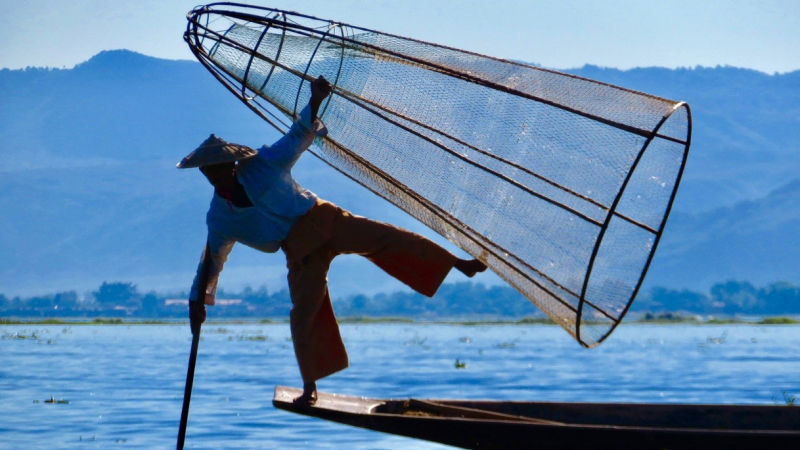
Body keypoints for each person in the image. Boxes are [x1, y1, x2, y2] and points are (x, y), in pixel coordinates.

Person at [178, 75, 487, 405]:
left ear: (232, 163)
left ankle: (456, 264)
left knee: (387, 238)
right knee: (304, 314)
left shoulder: (263, 164)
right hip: (299, 250)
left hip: (324, 219)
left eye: (222, 167)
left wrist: (316, 99)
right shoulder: (220, 218)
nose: (218, 174)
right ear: (205, 174)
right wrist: (197, 302)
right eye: (210, 171)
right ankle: (310, 387)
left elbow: (296, 136)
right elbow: (212, 260)